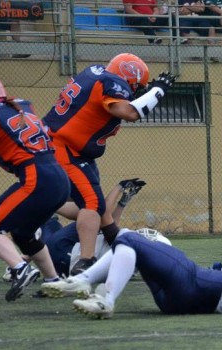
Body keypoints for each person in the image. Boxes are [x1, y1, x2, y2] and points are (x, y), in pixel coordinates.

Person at [40, 188, 222, 319]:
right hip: (179, 303)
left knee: (128, 237)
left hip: (196, 282)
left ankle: (98, 292)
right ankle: (88, 286)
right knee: (128, 248)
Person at [43, 53, 176, 276]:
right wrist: (158, 90)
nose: (135, 92)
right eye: (137, 87)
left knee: (80, 202)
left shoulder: (96, 72)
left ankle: (28, 253)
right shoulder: (112, 83)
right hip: (65, 148)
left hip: (71, 148)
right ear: (130, 78)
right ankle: (85, 261)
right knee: (91, 202)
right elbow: (129, 112)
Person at [0, 74, 70, 301]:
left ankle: (20, 268)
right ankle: (54, 282)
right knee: (23, 233)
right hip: (58, 176)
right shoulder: (20, 106)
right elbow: (9, 144)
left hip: (37, 177)